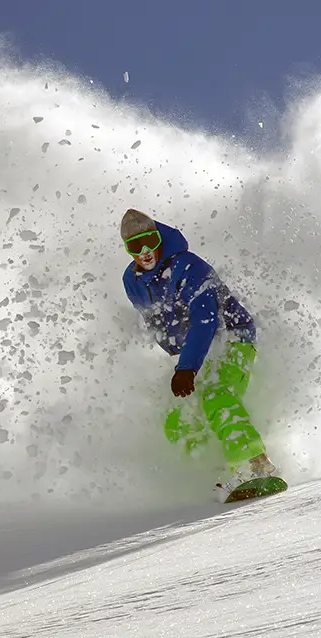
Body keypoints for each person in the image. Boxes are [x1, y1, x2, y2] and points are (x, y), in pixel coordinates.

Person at [119, 208, 279, 497]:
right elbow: (155, 322)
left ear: (159, 238)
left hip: (232, 336)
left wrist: (187, 368)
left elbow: (204, 319)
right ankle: (214, 470)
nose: (144, 252)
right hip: (193, 353)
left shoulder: (189, 266)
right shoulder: (132, 281)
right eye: (134, 246)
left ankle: (255, 464)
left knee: (216, 394)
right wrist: (178, 355)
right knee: (176, 416)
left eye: (149, 241)